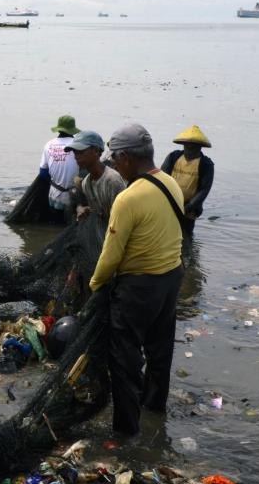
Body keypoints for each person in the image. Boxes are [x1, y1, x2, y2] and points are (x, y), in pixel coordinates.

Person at [89, 124, 184, 436]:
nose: (115, 166)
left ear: (126, 158)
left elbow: (111, 254)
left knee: (124, 361)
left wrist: (95, 284)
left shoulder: (128, 198)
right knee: (160, 351)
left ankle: (126, 431)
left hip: (138, 288)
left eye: (115, 159)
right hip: (171, 279)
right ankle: (155, 408)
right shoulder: (170, 182)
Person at [161, 125, 214, 234]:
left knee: (185, 235)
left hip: (189, 211)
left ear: (200, 147)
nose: (190, 149)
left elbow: (204, 190)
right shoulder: (173, 157)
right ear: (183, 145)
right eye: (187, 146)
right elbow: (161, 179)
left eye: (193, 147)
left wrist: (187, 208)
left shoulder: (206, 164)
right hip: (168, 206)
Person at [64, 130, 126, 222]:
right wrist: (87, 210)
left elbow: (122, 217)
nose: (76, 156)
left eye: (81, 152)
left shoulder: (112, 180)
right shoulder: (86, 183)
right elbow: (100, 211)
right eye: (75, 152)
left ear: (96, 151)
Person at [39, 115, 81, 222]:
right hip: (75, 195)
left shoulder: (49, 145)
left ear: (59, 129)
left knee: (56, 222)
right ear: (73, 130)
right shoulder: (79, 145)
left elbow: (43, 173)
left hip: (55, 194)